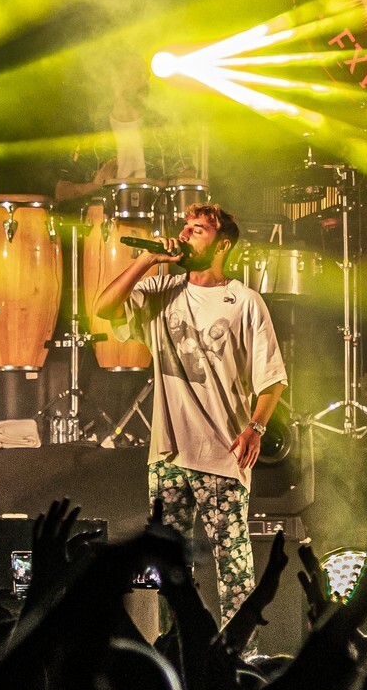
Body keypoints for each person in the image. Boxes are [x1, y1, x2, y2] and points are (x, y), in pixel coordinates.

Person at [94, 203, 287, 610]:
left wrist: (256, 428)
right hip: (167, 454)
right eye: (185, 226)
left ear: (222, 245)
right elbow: (104, 308)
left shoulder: (245, 302)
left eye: (197, 229)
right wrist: (146, 260)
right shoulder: (161, 290)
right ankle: (175, 641)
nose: (184, 234)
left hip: (222, 453)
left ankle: (239, 643)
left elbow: (273, 380)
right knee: (167, 569)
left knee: (233, 569)